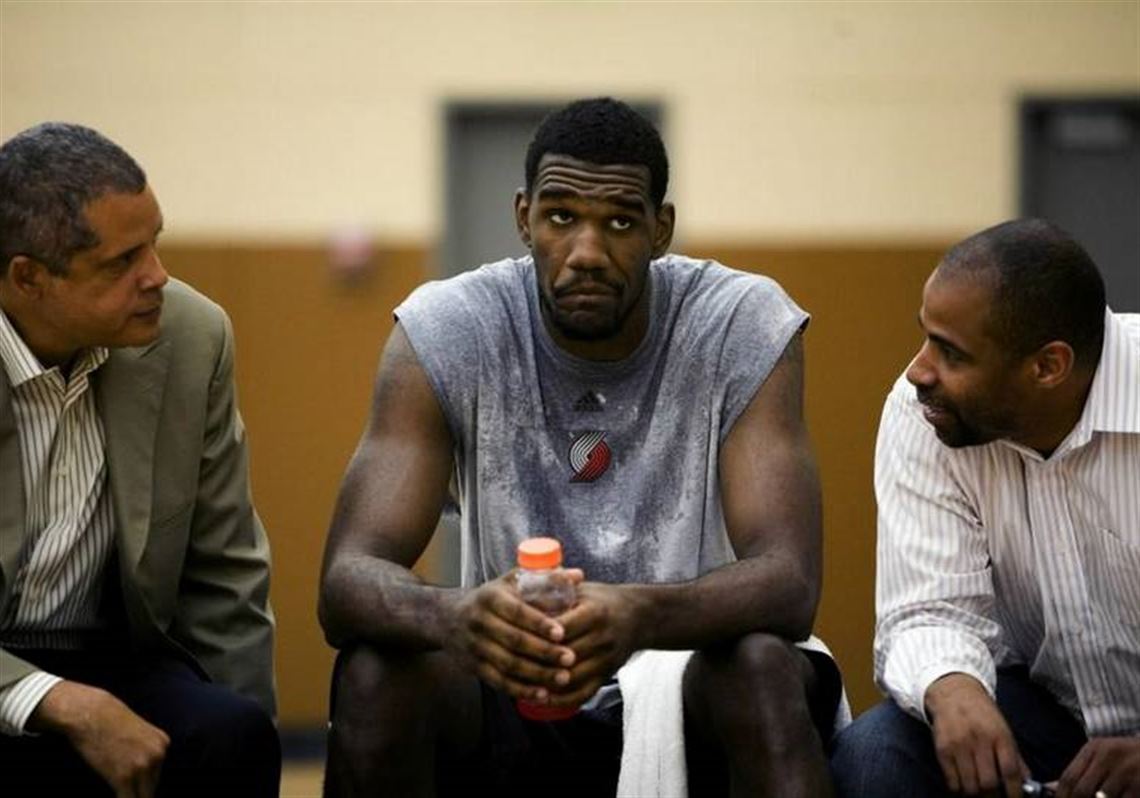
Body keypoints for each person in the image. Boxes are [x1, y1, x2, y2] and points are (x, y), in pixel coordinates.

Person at [319, 97, 844, 797]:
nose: (588, 253)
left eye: (621, 222)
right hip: (511, 688)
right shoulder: (448, 326)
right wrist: (456, 614)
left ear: (661, 230)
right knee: (375, 670)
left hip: (689, 681)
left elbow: (789, 580)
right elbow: (347, 579)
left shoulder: (738, 321)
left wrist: (639, 613)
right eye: (561, 217)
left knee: (761, 664)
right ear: (523, 218)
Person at [0, 123, 279, 797]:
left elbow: (224, 572)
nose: (156, 277)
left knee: (230, 733)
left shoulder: (190, 334)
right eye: (121, 263)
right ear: (28, 278)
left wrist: (255, 735)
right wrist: (54, 700)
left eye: (155, 243)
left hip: (115, 654)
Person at [830, 219, 1140, 798]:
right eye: (925, 336)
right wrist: (953, 688)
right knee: (878, 753)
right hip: (1050, 712)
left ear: (1048, 366)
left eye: (951, 353)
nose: (918, 371)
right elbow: (926, 608)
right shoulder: (922, 411)